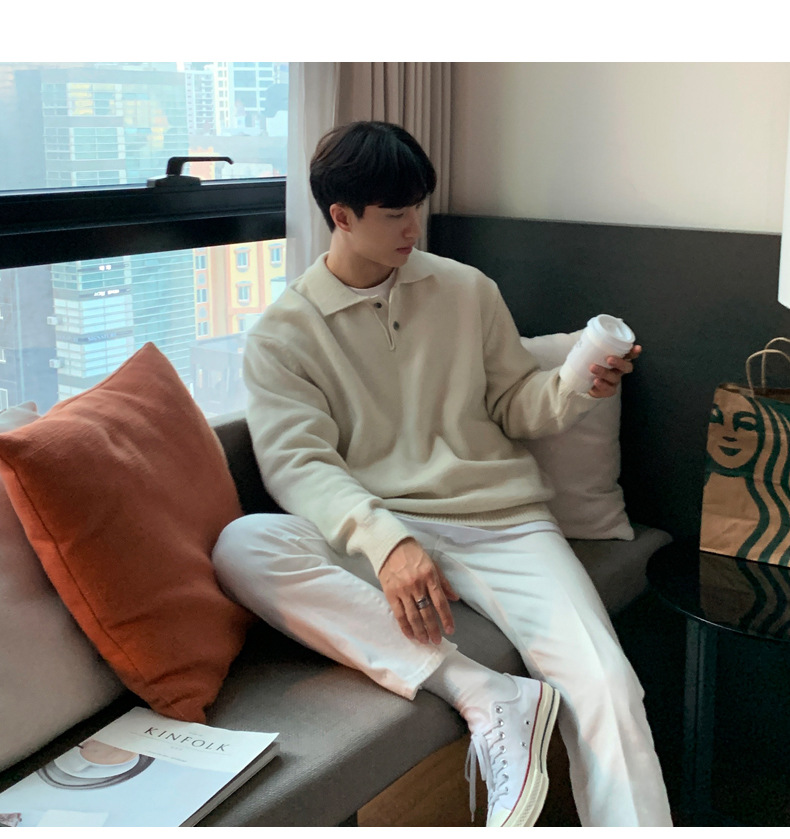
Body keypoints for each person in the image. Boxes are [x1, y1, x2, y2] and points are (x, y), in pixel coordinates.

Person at [212, 120, 673, 827]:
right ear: (341, 216)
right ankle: (483, 690)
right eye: (394, 213)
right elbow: (298, 464)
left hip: (503, 523)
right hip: (383, 531)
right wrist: (387, 541)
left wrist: (577, 386)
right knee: (243, 546)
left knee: (607, 685)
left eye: (417, 207)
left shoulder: (466, 289)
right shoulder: (283, 335)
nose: (413, 227)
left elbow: (514, 403)